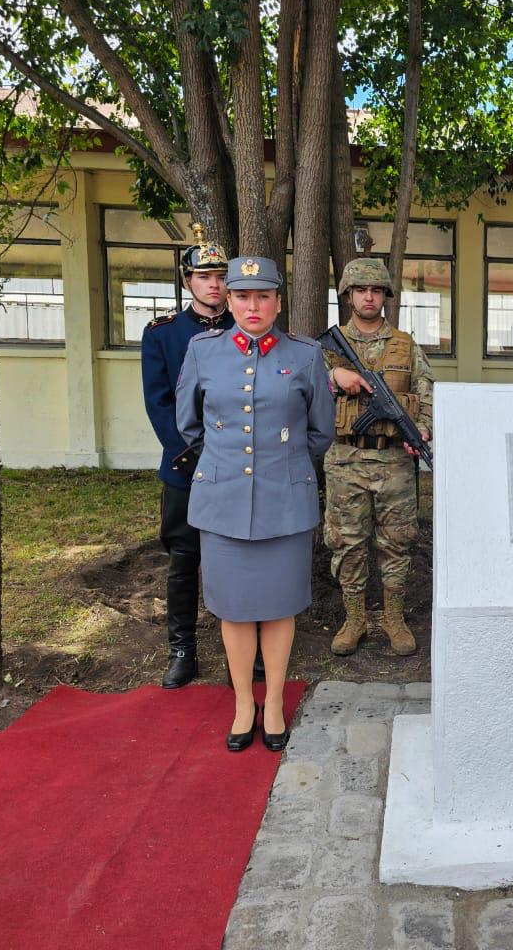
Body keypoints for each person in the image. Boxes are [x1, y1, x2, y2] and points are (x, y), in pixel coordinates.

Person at [175, 256, 335, 750]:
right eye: (242, 296)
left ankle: (274, 702)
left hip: (284, 503)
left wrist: (279, 466)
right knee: (236, 610)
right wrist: (228, 467)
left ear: (278, 302)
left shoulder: (306, 355)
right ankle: (245, 701)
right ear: (228, 299)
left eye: (262, 296)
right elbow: (189, 426)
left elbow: (320, 432)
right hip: (222, 503)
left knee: (279, 607)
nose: (252, 305)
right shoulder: (203, 351)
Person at [324, 258, 434, 658]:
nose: (368, 297)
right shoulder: (330, 347)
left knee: (397, 542)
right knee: (347, 542)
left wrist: (421, 429)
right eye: (360, 290)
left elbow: (426, 394)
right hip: (345, 461)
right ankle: (354, 620)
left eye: (375, 291)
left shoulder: (405, 345)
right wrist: (333, 377)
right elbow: (300, 387)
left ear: (385, 296)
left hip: (394, 464)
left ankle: (393, 618)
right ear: (349, 295)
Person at [140, 226, 231, 688]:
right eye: (203, 276)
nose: (213, 284)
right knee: (183, 557)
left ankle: (244, 649)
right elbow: (159, 403)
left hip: (236, 466)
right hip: (185, 467)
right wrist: (189, 455)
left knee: (236, 556)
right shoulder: (163, 334)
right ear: (187, 282)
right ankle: (182, 650)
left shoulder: (244, 332)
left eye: (219, 275)